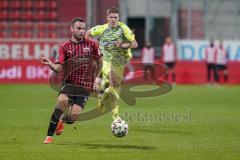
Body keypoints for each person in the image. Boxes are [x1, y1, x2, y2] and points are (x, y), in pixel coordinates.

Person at [40, 17, 102, 144]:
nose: (82, 31)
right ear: (72, 29)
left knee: (73, 118)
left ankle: (62, 121)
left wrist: (95, 78)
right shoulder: (64, 46)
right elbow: (58, 69)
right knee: (61, 102)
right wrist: (50, 63)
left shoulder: (92, 45)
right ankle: (49, 137)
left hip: (85, 86)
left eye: (83, 28)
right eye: (79, 28)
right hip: (69, 83)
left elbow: (100, 62)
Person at [85, 7, 138, 121]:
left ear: (118, 18)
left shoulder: (123, 28)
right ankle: (117, 118)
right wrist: (89, 48)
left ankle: (104, 99)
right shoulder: (102, 29)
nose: (113, 19)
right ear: (107, 18)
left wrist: (123, 45)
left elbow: (134, 44)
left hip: (119, 62)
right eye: (111, 17)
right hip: (106, 61)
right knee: (112, 81)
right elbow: (88, 33)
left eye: (115, 17)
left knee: (113, 88)